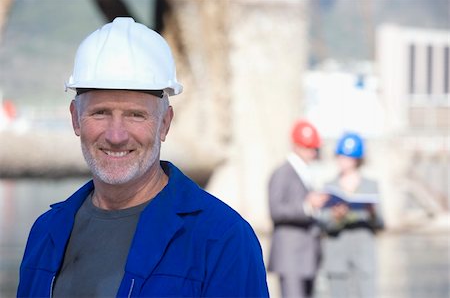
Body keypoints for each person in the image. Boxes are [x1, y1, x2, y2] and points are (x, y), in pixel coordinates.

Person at [17, 17, 269, 297]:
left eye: (136, 115)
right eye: (100, 112)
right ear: (76, 119)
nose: (116, 135)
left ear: (164, 123)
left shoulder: (222, 239)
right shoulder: (46, 232)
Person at [319, 132, 384, 298]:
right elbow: (323, 223)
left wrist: (372, 214)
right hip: (337, 257)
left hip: (364, 256)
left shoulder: (371, 186)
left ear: (358, 160)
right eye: (341, 156)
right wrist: (336, 217)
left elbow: (381, 223)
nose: (343, 161)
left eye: (348, 157)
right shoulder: (329, 186)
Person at [268, 119, 327, 298]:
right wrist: (307, 207)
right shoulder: (282, 173)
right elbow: (276, 210)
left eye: (313, 148)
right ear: (296, 145)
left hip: (307, 256)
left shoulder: (306, 173)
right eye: (307, 147)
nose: (311, 152)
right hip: (291, 256)